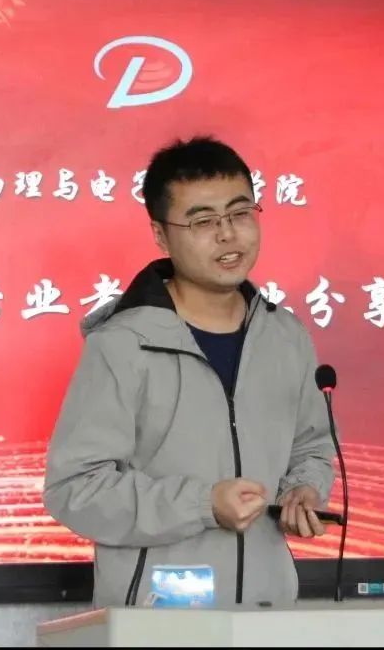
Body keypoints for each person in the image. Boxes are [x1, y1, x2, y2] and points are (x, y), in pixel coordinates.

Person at [43, 135, 335, 609]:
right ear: (161, 235)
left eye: (240, 213)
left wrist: (303, 490)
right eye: (203, 221)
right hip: (160, 616)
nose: (227, 234)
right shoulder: (123, 344)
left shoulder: (286, 337)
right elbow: (75, 489)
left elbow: (311, 446)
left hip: (268, 615)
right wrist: (203, 505)